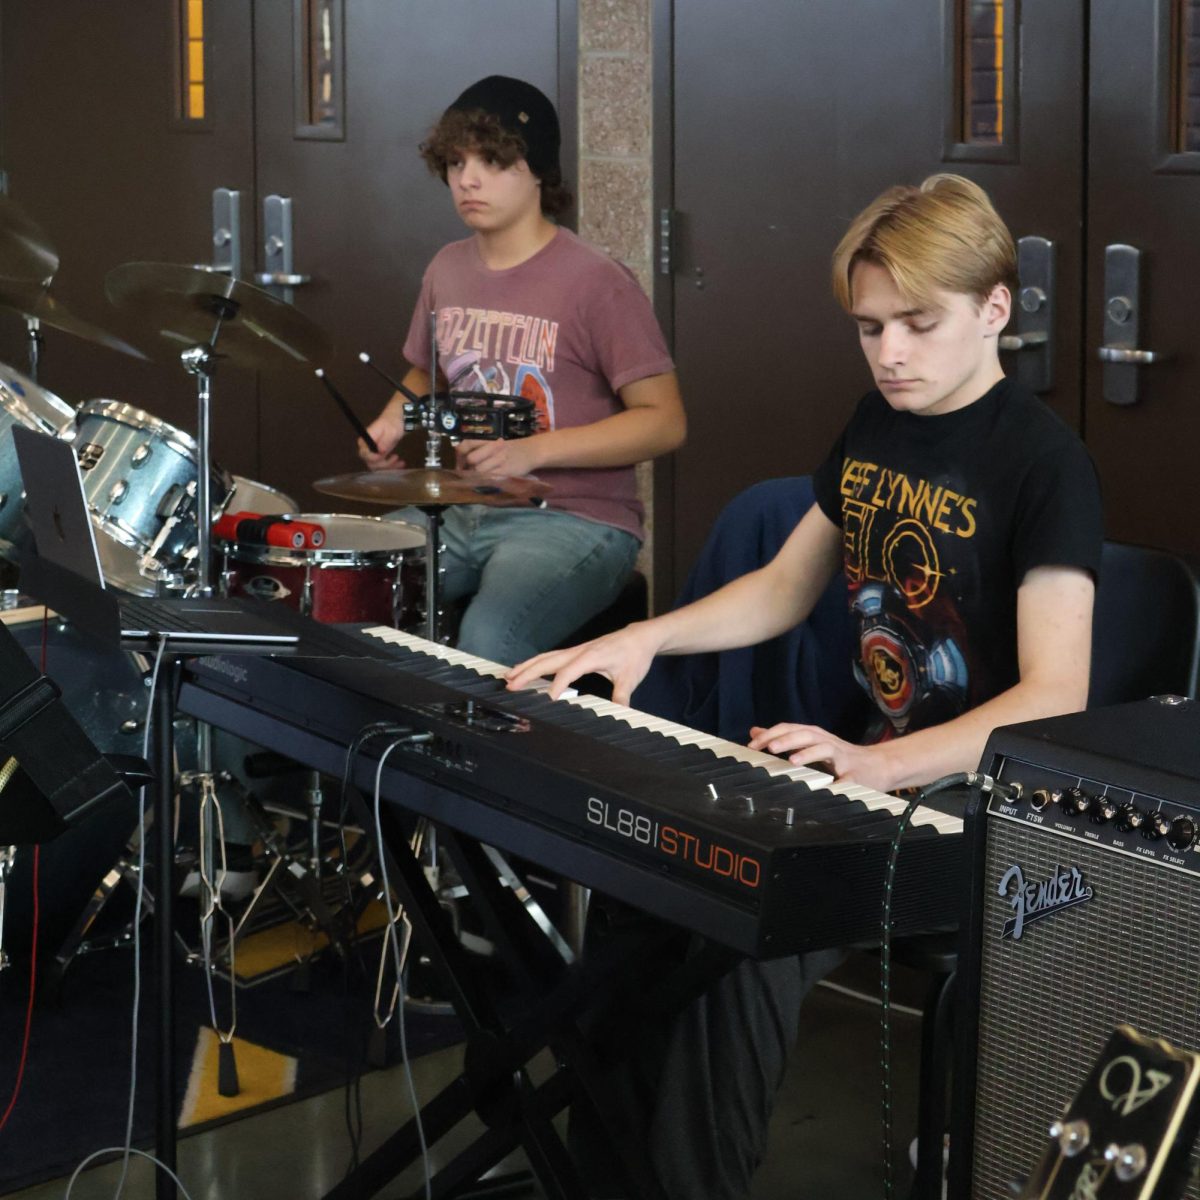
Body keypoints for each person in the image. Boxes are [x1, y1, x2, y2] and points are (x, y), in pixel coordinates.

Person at [506, 174, 1104, 1198]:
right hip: (879, 781)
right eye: (870, 328)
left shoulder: (1044, 464)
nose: (891, 353)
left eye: (918, 324)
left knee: (755, 927)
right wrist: (646, 641)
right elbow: (787, 585)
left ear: (995, 309)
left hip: (987, 811)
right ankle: (612, 1173)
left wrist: (878, 761)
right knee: (645, 885)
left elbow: (1056, 696)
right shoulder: (877, 425)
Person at [358, 75, 685, 666]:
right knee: (348, 583)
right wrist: (388, 422)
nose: (468, 179)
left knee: (489, 636)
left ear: (536, 170)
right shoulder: (446, 268)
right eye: (455, 162)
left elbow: (664, 423)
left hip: (578, 521)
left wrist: (531, 452)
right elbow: (426, 374)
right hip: (464, 509)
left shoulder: (596, 281)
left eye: (491, 160)